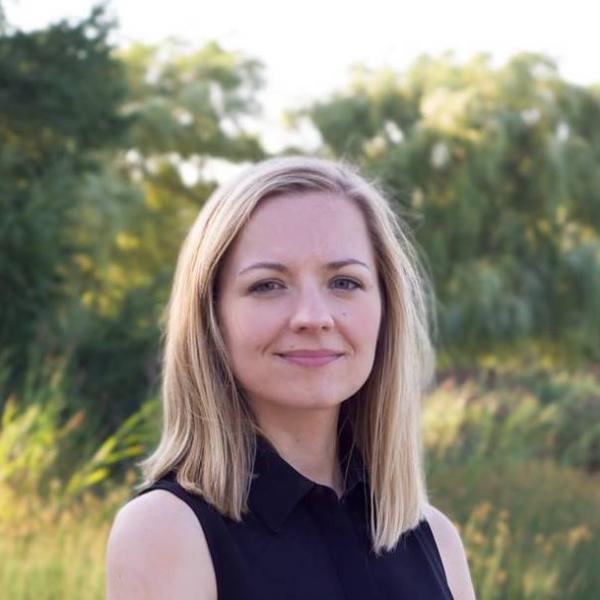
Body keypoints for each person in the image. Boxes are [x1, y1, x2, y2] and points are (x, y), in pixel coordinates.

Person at [105, 156, 476, 599]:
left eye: (344, 282)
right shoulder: (166, 531)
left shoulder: (435, 539)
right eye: (268, 285)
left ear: (385, 308)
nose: (314, 318)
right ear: (211, 316)